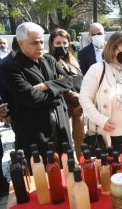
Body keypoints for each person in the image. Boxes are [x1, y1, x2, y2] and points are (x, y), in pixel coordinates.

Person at [0, 22, 73, 171]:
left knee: (67, 170)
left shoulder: (50, 60)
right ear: (21, 43)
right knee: (43, 177)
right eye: (34, 43)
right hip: (35, 132)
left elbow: (68, 81)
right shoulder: (9, 67)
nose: (40, 46)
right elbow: (31, 98)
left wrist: (45, 86)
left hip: (61, 125)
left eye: (41, 41)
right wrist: (57, 91)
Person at [49, 28, 84, 160]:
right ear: (52, 44)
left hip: (79, 107)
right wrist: (74, 96)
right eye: (58, 43)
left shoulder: (73, 60)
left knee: (80, 138)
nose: (62, 46)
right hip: (65, 108)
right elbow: (56, 85)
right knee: (66, 141)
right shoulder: (49, 61)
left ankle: (82, 163)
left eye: (65, 43)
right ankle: (70, 167)